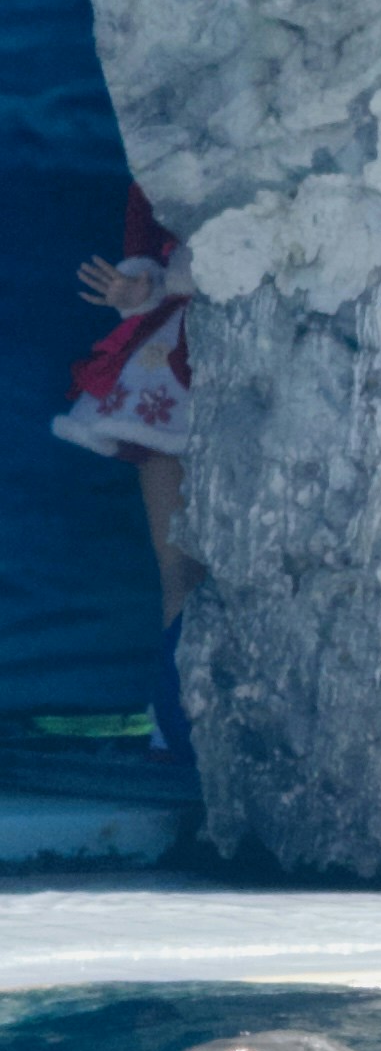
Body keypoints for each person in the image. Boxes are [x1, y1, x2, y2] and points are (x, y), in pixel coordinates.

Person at [56, 182, 202, 757]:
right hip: (169, 367)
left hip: (261, 347)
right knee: (179, 568)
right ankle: (176, 723)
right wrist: (139, 287)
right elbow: (145, 255)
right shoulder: (156, 169)